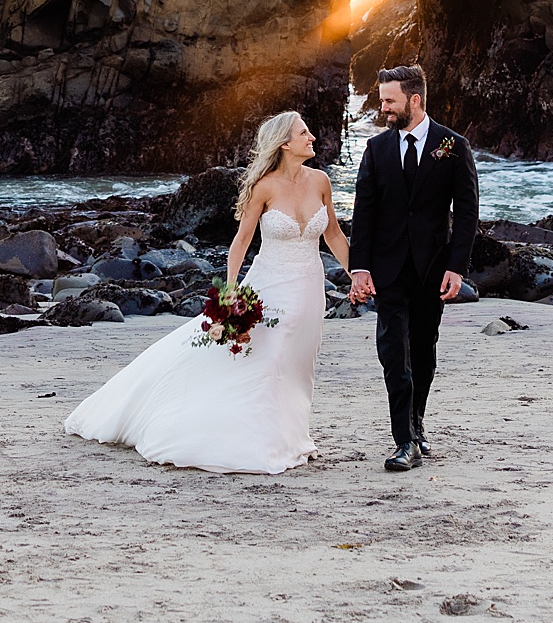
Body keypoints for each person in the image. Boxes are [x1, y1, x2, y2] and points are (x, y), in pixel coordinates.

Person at [62, 110, 352, 474]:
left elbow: (334, 235)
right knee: (269, 359)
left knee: (297, 363)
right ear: (284, 143)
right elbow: (241, 241)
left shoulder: (321, 181)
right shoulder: (264, 186)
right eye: (304, 132)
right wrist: (230, 292)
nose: (312, 138)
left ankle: (291, 436)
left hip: (309, 289)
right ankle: (263, 441)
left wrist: (356, 274)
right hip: (270, 286)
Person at [346, 63, 479, 471]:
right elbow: (364, 212)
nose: (383, 107)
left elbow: (468, 212)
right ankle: (403, 442)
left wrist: (457, 268)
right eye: (382, 99)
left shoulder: (453, 146)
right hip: (388, 270)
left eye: (390, 100)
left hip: (432, 270)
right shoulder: (376, 149)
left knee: (423, 351)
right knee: (392, 352)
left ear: (414, 100)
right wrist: (359, 268)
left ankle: (416, 425)